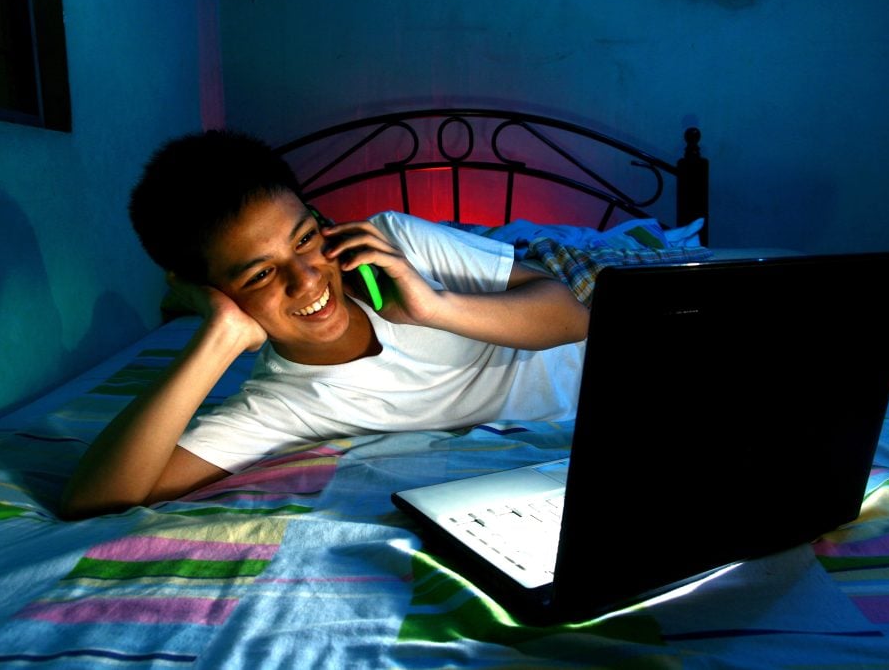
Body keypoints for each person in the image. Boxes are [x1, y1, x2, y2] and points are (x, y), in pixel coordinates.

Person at [59, 129, 589, 520]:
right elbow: (96, 500)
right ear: (214, 292)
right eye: (261, 274)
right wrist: (217, 335)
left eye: (306, 239)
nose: (308, 280)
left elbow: (573, 318)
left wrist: (433, 306)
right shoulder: (283, 403)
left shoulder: (397, 241)